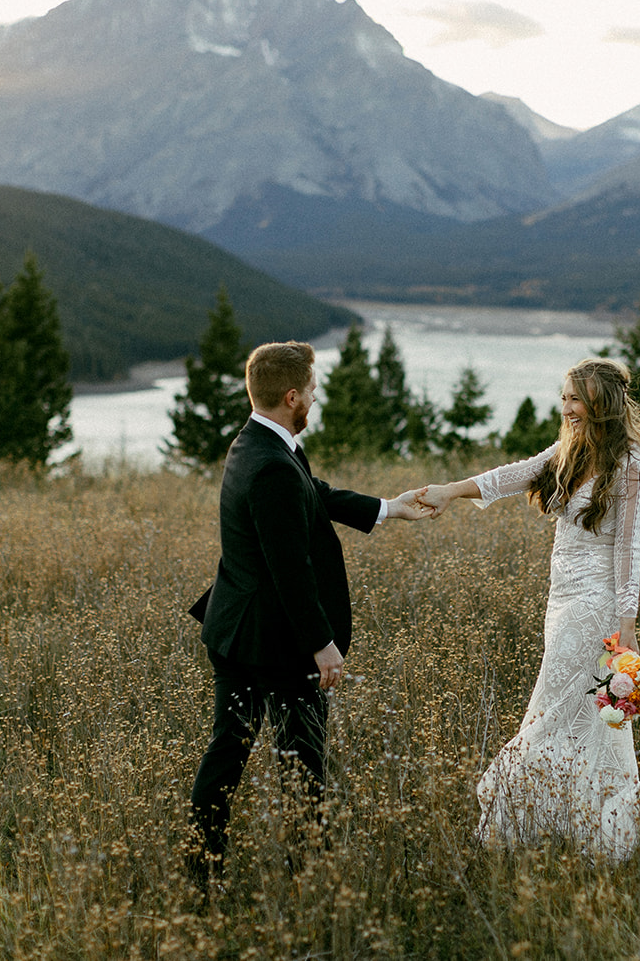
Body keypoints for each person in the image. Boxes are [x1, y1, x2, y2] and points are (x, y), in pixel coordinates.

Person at [418, 357, 640, 858]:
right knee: (580, 720)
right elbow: (513, 476)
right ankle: (578, 815)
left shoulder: (633, 465)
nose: (566, 408)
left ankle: (537, 819)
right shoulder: (572, 451)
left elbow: (629, 549)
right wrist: (449, 490)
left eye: (575, 398)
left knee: (551, 713)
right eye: (564, 398)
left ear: (600, 402)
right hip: (560, 603)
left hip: (596, 609)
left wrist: (627, 626)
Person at [188, 340, 430, 879]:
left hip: (237, 629)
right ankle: (306, 877)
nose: (316, 399)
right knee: (301, 761)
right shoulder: (272, 463)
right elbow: (289, 567)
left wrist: (389, 508)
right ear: (292, 395)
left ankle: (201, 873)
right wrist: (321, 644)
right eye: (313, 391)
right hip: (272, 643)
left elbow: (312, 493)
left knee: (227, 755)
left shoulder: (260, 441)